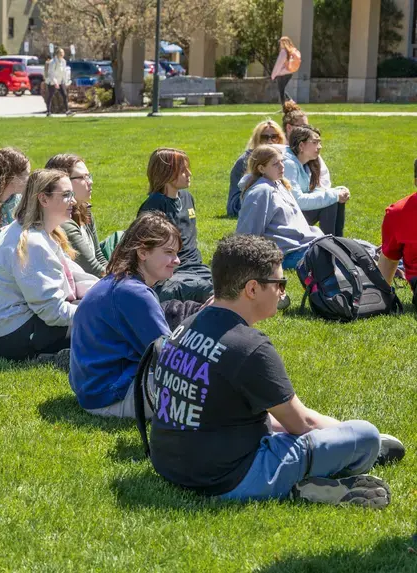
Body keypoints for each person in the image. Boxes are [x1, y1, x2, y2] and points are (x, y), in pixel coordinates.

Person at [147, 233, 404, 508]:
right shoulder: (248, 346)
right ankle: (295, 485)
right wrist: (343, 431)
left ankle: (301, 483)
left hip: (171, 464)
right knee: (363, 435)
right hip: (230, 479)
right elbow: (302, 424)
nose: (283, 292)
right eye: (279, 283)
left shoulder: (186, 325)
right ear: (253, 289)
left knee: (283, 423)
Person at [69, 212, 180, 418]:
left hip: (94, 390)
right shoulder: (134, 293)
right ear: (143, 252)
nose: (177, 260)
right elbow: (171, 358)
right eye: (169, 252)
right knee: (203, 381)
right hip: (112, 395)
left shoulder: (116, 282)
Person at [0, 169, 98, 361]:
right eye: (66, 195)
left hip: (16, 327)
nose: (74, 201)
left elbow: (76, 277)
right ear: (43, 199)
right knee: (102, 330)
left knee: (95, 311)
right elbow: (52, 311)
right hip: (13, 337)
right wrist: (99, 315)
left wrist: (108, 295)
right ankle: (51, 357)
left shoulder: (39, 231)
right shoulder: (32, 242)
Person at [137, 148, 213, 303]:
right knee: (212, 291)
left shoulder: (187, 197)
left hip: (197, 267)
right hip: (173, 273)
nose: (189, 173)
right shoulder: (154, 207)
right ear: (167, 173)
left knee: (230, 284)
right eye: (183, 170)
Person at [237, 145, 323, 270]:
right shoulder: (260, 192)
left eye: (282, 161)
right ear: (261, 168)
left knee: (342, 250)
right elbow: (247, 232)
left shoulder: (279, 183)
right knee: (335, 257)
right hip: (288, 254)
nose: (282, 166)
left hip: (304, 245)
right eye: (275, 164)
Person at [44, 153, 110, 277]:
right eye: (83, 177)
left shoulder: (84, 209)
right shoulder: (61, 222)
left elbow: (98, 256)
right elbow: (92, 268)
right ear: (63, 181)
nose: (90, 182)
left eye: (89, 176)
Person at [283, 125, 349, 237]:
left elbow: (316, 191)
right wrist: (334, 195)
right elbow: (298, 201)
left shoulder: (306, 162)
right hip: (286, 218)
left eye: (319, 142)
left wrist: (339, 191)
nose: (320, 147)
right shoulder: (289, 164)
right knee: (331, 200)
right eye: (315, 142)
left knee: (334, 199)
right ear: (301, 145)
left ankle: (338, 242)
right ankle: (330, 244)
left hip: (297, 213)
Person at [377, 159, 417, 305]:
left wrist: (380, 295)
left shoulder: (398, 212)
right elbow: (389, 258)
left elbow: (389, 258)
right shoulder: (398, 213)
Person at [227, 120, 286, 217]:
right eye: (264, 137)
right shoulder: (245, 160)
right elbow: (233, 205)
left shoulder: (285, 159)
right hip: (243, 205)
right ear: (257, 139)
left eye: (274, 137)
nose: (269, 141)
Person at [282, 101, 332, 189]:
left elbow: (324, 177)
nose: (307, 130)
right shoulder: (280, 150)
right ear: (289, 127)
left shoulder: (310, 149)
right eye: (303, 126)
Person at [270, 36, 301, 104]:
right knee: (282, 90)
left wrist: (273, 75)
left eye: (280, 43)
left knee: (281, 91)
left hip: (282, 74)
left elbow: (278, 64)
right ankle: (289, 103)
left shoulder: (283, 52)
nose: (280, 44)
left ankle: (287, 105)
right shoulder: (292, 50)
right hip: (290, 72)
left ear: (283, 43)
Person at [45, 48, 71, 117]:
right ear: (57, 54)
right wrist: (55, 82)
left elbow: (64, 72)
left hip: (60, 81)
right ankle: (48, 112)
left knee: (64, 95)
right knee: (51, 95)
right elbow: (51, 73)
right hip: (52, 81)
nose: (62, 54)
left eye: (63, 53)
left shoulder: (63, 61)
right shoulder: (52, 62)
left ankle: (67, 111)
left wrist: (65, 82)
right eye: (61, 53)